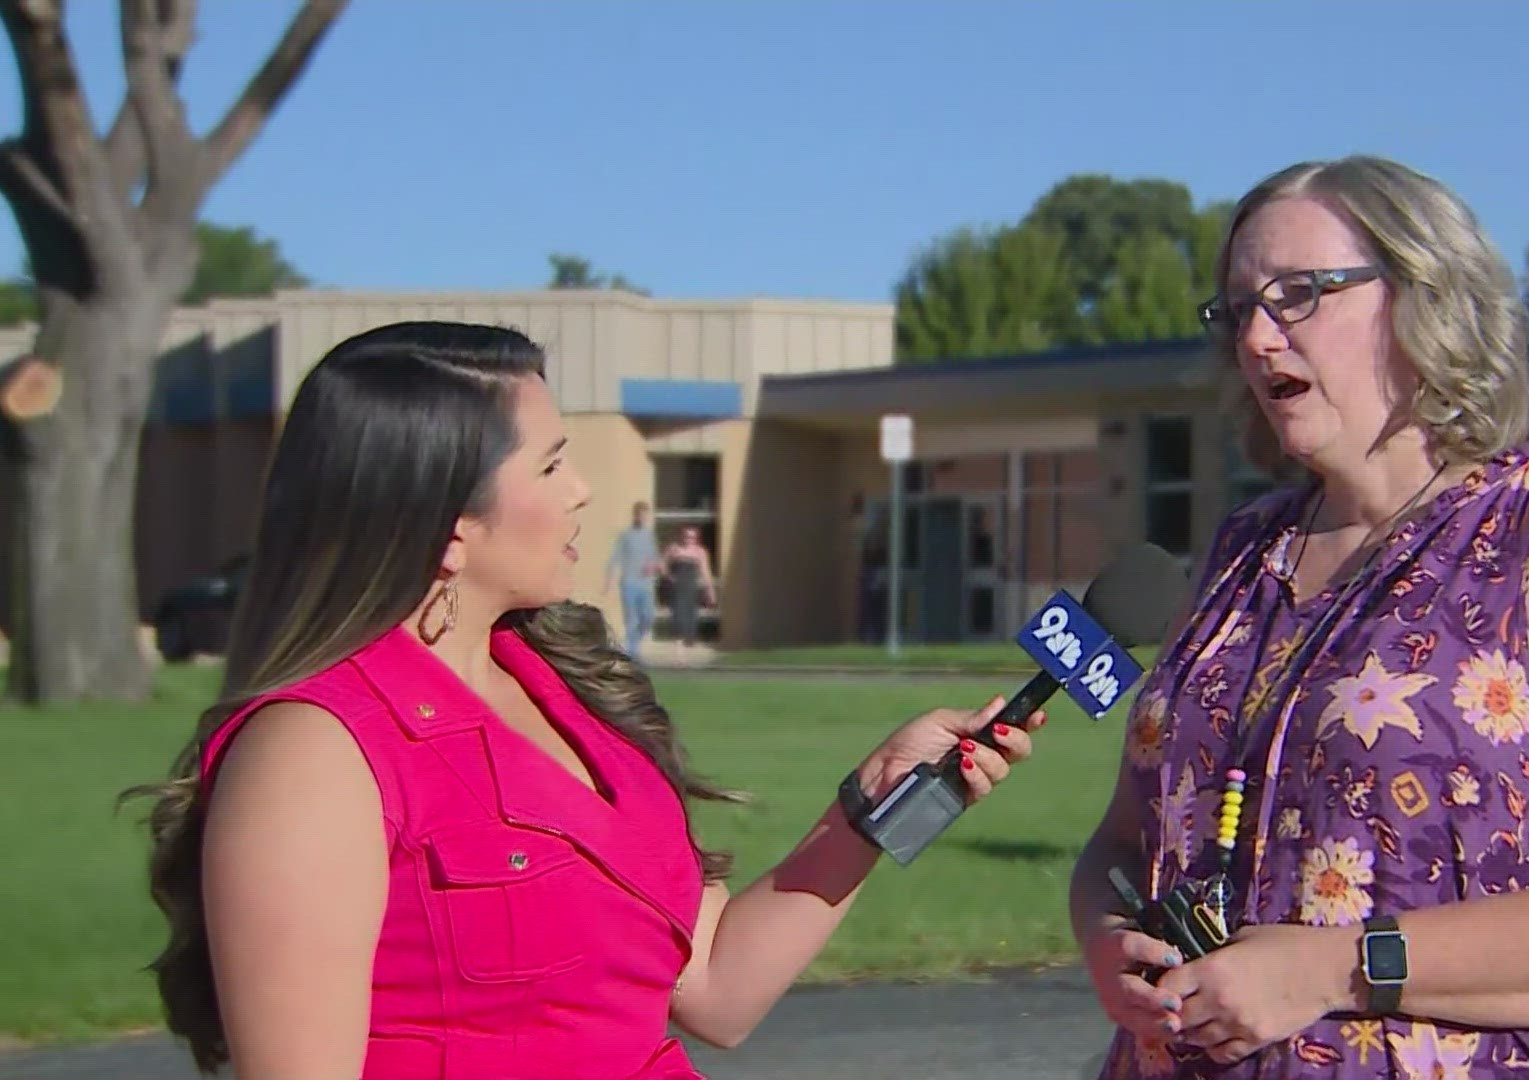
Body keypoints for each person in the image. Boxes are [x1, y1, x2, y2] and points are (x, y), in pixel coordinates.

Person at [123, 321, 1040, 1080]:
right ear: (451, 526)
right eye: (552, 465)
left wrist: (876, 805)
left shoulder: (567, 693)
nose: (583, 490)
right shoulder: (311, 757)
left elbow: (716, 986)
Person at [1068, 157, 1529, 1078]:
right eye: (1238, 310)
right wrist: (1110, 944)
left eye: (1299, 295)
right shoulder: (1241, 552)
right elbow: (1123, 843)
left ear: (1425, 298)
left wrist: (1333, 967)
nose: (1259, 340)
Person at [604, 500, 662, 657]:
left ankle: (634, 644)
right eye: (640, 514)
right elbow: (614, 558)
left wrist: (656, 566)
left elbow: (656, 557)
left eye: (645, 515)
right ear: (635, 515)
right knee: (631, 619)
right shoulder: (626, 535)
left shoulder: (650, 536)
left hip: (646, 583)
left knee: (648, 617)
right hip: (629, 582)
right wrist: (609, 580)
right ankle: (633, 652)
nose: (643, 518)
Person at [661, 525, 716, 656]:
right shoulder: (674, 548)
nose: (688, 539)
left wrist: (710, 592)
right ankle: (680, 656)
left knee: (690, 619)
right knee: (678, 619)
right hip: (677, 588)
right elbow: (662, 564)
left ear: (696, 538)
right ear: (682, 536)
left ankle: (688, 649)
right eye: (686, 536)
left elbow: (706, 572)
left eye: (692, 537)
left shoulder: (700, 552)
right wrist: (669, 577)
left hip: (691, 589)